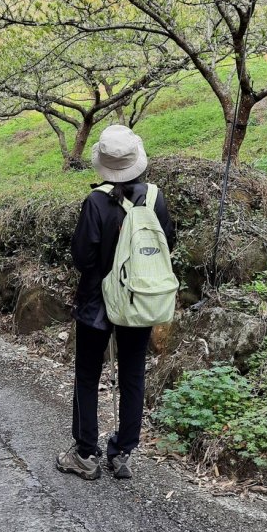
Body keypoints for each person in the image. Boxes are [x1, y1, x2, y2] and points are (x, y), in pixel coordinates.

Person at [56, 124, 176, 481]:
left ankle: (85, 453)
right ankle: (122, 452)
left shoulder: (96, 202)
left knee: (88, 375)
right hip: (139, 299)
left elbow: (82, 257)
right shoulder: (155, 197)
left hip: (97, 301)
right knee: (133, 374)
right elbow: (167, 244)